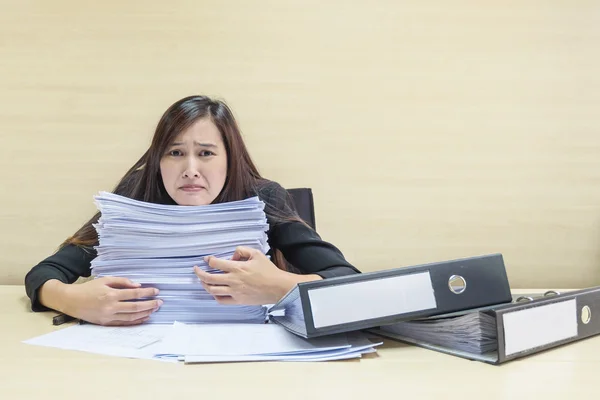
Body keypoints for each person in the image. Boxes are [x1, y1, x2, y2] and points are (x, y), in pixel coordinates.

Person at [24, 95, 360, 326]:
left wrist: (280, 285)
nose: (190, 169)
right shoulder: (138, 195)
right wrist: (72, 300)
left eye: (206, 153)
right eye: (174, 153)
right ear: (158, 160)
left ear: (231, 159)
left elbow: (349, 281)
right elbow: (44, 273)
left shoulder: (261, 197)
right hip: (136, 358)